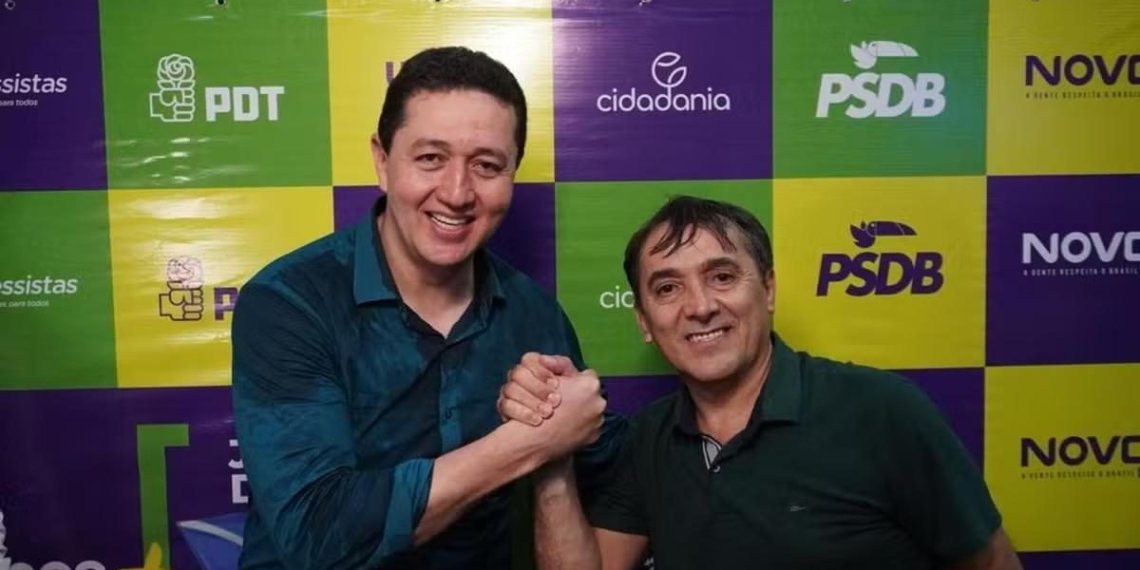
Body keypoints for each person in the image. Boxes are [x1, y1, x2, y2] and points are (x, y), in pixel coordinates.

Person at [231, 46, 623, 569]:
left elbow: (602, 466)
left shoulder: (535, 316)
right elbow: (318, 533)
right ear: (382, 161)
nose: (457, 193)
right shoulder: (291, 302)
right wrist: (529, 443)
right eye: (431, 158)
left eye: (486, 166)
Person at [499, 196, 1023, 569]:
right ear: (644, 321)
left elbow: (992, 562)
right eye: (668, 288)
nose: (700, 306)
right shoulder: (646, 439)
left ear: (768, 290)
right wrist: (550, 453)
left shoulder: (882, 410)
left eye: (722, 276)